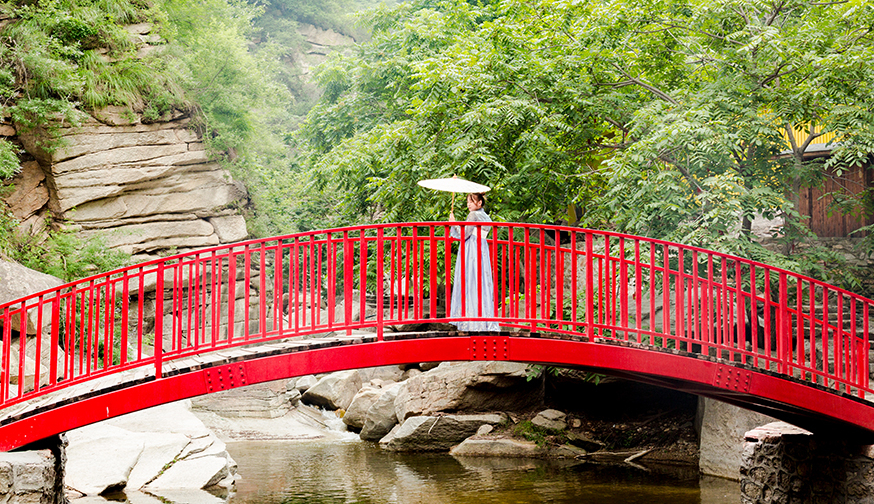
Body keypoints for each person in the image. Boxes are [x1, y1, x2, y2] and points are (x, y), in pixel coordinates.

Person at [448, 193, 499, 332]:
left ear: (479, 203)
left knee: (470, 281)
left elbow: (464, 234)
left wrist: (453, 223)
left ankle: (471, 320)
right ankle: (483, 319)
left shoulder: (473, 215)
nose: (469, 204)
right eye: (468, 201)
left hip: (472, 248)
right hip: (482, 248)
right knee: (481, 282)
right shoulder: (485, 216)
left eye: (472, 201)